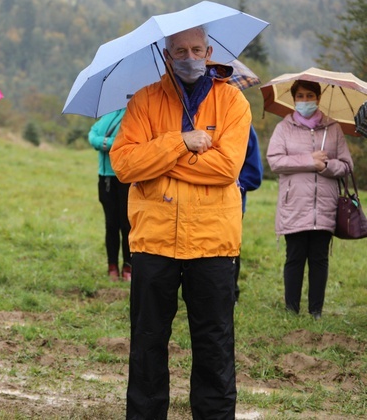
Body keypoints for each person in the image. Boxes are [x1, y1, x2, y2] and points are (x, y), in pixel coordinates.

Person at [111, 26, 251, 419]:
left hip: (213, 242)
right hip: (154, 241)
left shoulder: (233, 102)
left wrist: (159, 160)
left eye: (195, 49)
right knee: (147, 343)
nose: (189, 57)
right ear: (167, 55)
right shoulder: (144, 101)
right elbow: (124, 165)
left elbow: (226, 168)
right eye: (179, 51)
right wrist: (181, 141)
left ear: (208, 52)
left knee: (214, 345)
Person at [266, 79, 352, 320]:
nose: (305, 101)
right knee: (294, 257)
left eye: (309, 95)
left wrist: (325, 166)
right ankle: (291, 310)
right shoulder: (284, 128)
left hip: (325, 206)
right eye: (300, 96)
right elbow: (275, 161)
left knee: (319, 258)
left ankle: (316, 311)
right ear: (294, 99)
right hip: (294, 204)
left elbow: (347, 165)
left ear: (318, 98)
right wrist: (308, 160)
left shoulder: (333, 128)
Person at [88, 108, 131, 282]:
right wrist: (105, 142)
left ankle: (128, 266)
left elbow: (128, 142)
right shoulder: (108, 114)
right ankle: (112, 266)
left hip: (126, 177)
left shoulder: (132, 114)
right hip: (105, 177)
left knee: (128, 225)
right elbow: (92, 135)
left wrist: (106, 143)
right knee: (111, 224)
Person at [236, 125, 263, 303]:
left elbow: (254, 173)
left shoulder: (244, 126)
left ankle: (230, 293)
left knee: (227, 251)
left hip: (231, 205)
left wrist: (236, 188)